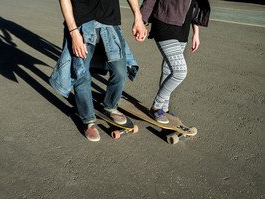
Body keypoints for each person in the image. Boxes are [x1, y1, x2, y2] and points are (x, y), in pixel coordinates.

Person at [50, 0, 147, 141]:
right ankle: (87, 119)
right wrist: (74, 33)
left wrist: (138, 17)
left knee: (120, 71)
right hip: (81, 23)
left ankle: (110, 107)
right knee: (82, 74)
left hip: (110, 22)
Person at [140, 0, 210, 123]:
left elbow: (195, 5)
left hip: (183, 29)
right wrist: (141, 21)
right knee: (179, 71)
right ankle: (156, 106)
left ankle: (164, 109)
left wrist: (196, 33)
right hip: (164, 25)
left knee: (168, 69)